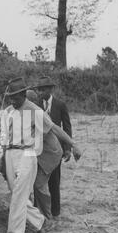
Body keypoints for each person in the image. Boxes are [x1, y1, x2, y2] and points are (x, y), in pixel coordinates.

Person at [0, 78, 81, 233]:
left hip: (27, 154)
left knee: (19, 196)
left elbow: (55, 129)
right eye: (9, 98)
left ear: (23, 95)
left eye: (15, 98)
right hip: (10, 153)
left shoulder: (35, 111)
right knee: (16, 195)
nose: (12, 101)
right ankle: (40, 221)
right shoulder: (8, 111)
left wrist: (73, 144)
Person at [25, 90, 79, 219]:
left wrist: (72, 145)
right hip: (39, 154)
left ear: (30, 102)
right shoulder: (26, 114)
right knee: (35, 184)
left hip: (50, 155)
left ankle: (46, 217)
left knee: (39, 185)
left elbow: (57, 129)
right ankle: (40, 213)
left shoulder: (39, 114)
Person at [33, 76, 72, 219]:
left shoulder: (60, 105)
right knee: (38, 182)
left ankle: (55, 212)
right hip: (40, 150)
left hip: (56, 150)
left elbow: (66, 127)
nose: (41, 92)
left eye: (43, 89)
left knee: (54, 181)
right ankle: (39, 211)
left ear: (51, 89)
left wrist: (68, 148)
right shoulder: (35, 105)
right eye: (39, 90)